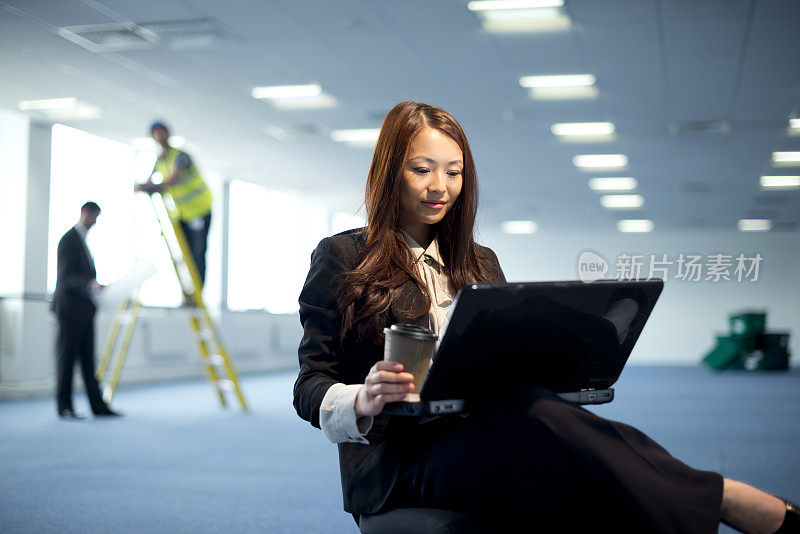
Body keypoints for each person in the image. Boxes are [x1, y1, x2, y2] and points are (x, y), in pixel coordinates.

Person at [293, 101, 799, 533]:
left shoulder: (479, 261)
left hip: (482, 428)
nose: (439, 186)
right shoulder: (343, 257)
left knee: (539, 412)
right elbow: (310, 383)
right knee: (544, 437)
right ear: (389, 171)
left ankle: (715, 500)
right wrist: (364, 396)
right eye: (421, 169)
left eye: (454, 170)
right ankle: (724, 498)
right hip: (398, 459)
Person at [52, 202, 120, 419]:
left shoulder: (82, 241)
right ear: (85, 213)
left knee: (89, 361)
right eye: (95, 216)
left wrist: (95, 286)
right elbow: (66, 277)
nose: (96, 221)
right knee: (67, 359)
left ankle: (98, 406)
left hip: (85, 311)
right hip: (70, 311)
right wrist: (90, 284)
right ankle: (65, 406)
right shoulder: (68, 240)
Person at [135, 121, 212, 288]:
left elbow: (172, 180)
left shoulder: (180, 156)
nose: (159, 136)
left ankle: (199, 288)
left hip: (200, 210)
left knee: (198, 253)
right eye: (156, 133)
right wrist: (143, 186)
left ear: (168, 133)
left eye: (161, 132)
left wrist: (150, 187)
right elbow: (151, 180)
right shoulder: (160, 160)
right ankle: (190, 290)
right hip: (184, 214)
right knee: (187, 254)